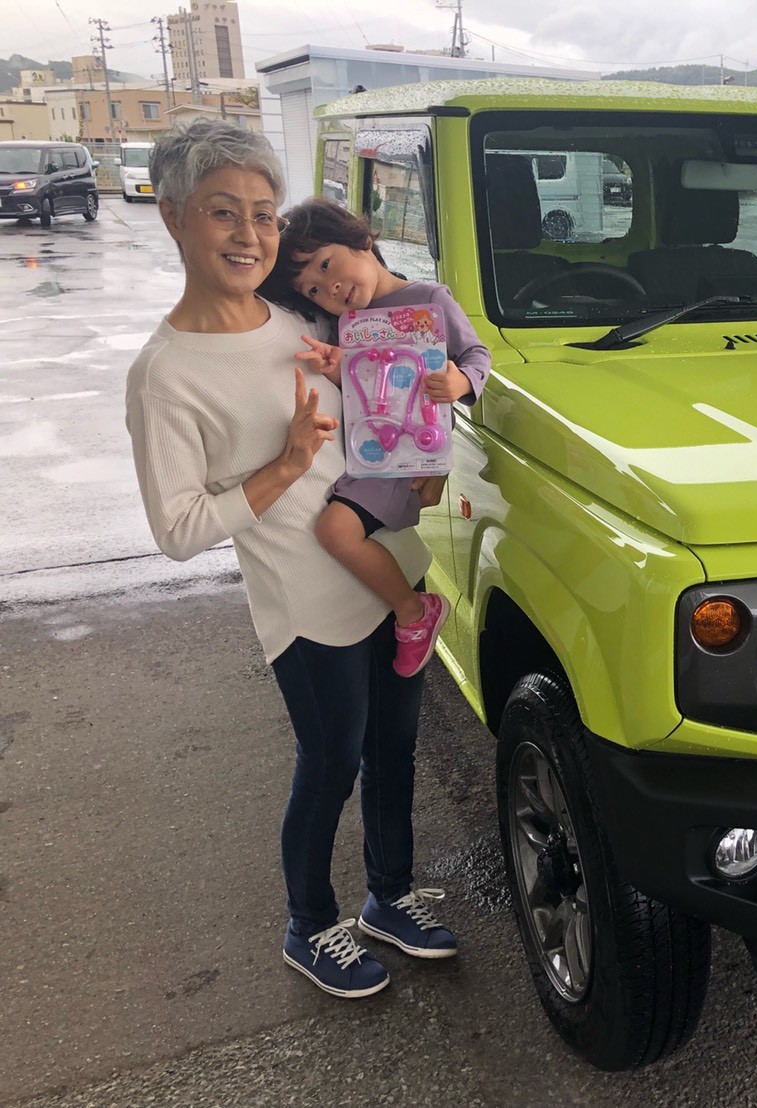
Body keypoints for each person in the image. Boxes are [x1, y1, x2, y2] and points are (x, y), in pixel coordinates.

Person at [125, 120, 456, 1000]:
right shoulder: (166, 374)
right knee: (332, 763)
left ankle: (389, 897)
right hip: (307, 606)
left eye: (263, 213)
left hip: (392, 569)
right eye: (222, 211)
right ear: (173, 218)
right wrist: (282, 468)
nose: (249, 233)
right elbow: (178, 530)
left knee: (395, 750)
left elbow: (388, 401)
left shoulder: (306, 319)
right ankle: (310, 925)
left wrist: (421, 461)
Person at [259, 198, 490, 679]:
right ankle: (410, 606)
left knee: (335, 531)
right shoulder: (347, 326)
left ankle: (414, 610)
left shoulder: (430, 299)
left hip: (409, 453)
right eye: (314, 289)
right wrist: (337, 370)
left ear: (362, 240)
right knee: (338, 531)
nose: (330, 287)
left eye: (326, 264)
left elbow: (477, 355)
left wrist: (461, 381)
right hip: (373, 449)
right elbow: (369, 389)